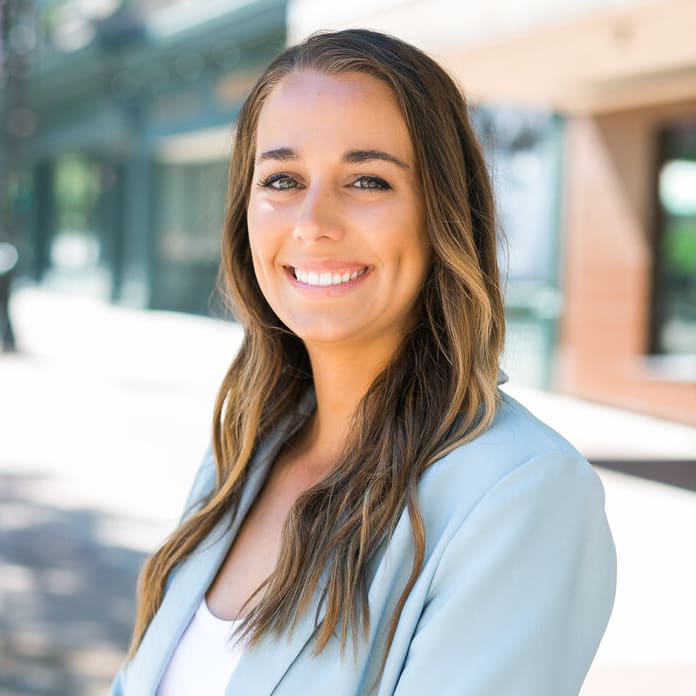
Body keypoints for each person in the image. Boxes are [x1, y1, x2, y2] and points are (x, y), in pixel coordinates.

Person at [112, 29, 616, 696]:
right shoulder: (243, 452)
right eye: (284, 179)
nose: (314, 221)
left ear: (442, 214)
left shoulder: (521, 494)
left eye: (367, 179)